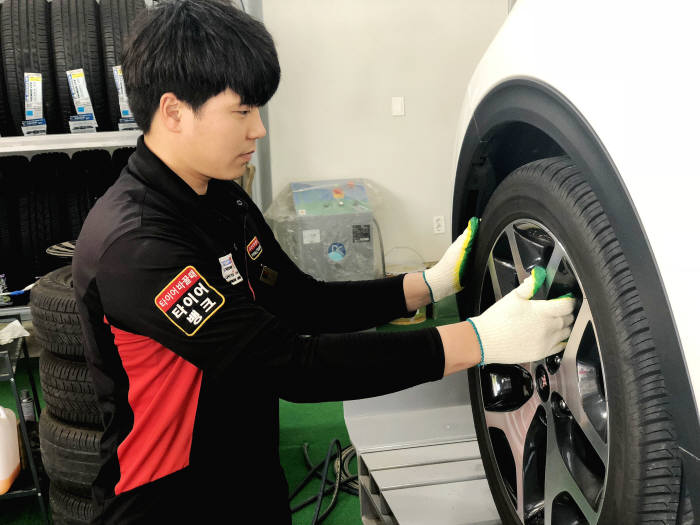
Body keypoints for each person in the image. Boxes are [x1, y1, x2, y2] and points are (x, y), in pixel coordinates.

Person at [72, 1, 575, 523]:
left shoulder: (221, 198)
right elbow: (289, 365)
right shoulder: (135, 247)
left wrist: (426, 285)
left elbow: (298, 300)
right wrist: (477, 341)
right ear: (174, 112)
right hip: (168, 504)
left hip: (250, 480)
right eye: (242, 112)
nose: (258, 130)